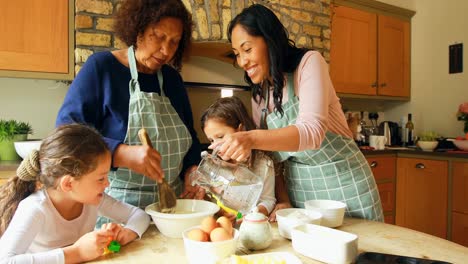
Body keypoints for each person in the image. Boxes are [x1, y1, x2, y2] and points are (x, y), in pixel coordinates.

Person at [215, 4, 383, 221]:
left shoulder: (309, 63)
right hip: (300, 194)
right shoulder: (260, 93)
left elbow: (312, 132)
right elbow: (274, 159)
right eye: (237, 54)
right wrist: (282, 199)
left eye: (247, 49)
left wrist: (250, 138)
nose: (242, 61)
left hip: (345, 187)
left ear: (269, 40)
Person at [55, 0, 204, 223]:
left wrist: (192, 171)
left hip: (172, 210)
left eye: (174, 42)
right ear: (139, 29)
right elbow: (67, 134)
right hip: (117, 210)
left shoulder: (173, 80)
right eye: (159, 36)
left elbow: (189, 138)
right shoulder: (102, 68)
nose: (166, 50)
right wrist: (122, 153)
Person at [0, 124, 150, 263]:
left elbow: (139, 215)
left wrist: (127, 233)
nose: (107, 184)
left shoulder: (92, 199)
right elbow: (5, 260)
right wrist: (77, 252)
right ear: (68, 184)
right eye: (100, 178)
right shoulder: (35, 209)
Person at [200, 96, 276, 218]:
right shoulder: (213, 166)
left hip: (250, 226)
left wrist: (255, 215)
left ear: (240, 130)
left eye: (220, 137)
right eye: (211, 140)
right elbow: (209, 198)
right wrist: (219, 213)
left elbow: (268, 200)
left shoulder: (264, 164)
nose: (214, 146)